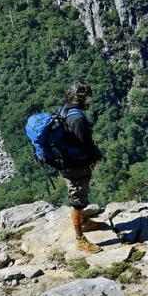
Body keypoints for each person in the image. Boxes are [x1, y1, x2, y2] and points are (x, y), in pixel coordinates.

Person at [59, 81, 106, 253]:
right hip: (76, 166)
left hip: (66, 162)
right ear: (83, 97)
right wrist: (96, 156)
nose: (88, 99)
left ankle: (84, 222)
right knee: (77, 200)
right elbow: (85, 143)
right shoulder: (77, 118)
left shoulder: (64, 110)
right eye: (87, 96)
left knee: (79, 194)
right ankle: (80, 239)